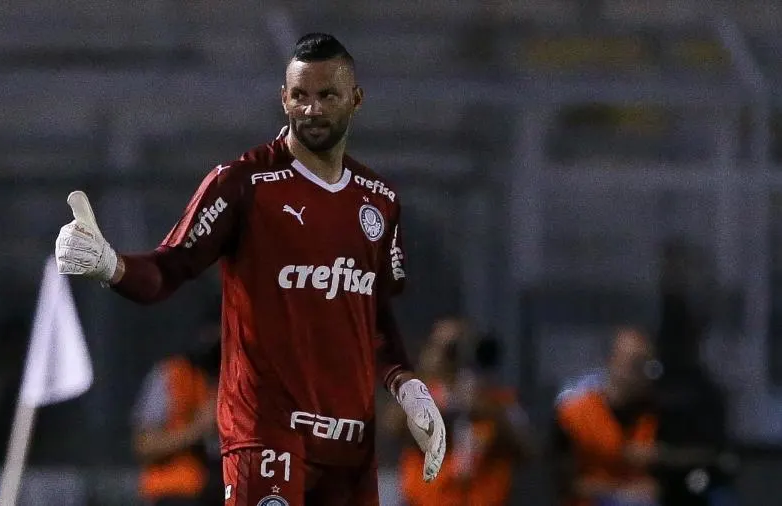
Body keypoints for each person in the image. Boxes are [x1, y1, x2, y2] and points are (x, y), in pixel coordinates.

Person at [54, 33, 446, 506]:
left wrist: (407, 385)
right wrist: (111, 265)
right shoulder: (242, 184)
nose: (312, 109)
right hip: (267, 435)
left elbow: (373, 315)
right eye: (300, 96)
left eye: (327, 95)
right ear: (284, 98)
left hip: (349, 443)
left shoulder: (378, 200)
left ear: (356, 100)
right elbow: (169, 268)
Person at [384, 318, 534, 506]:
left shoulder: (496, 399)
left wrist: (487, 410)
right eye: (450, 349)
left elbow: (526, 449)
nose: (457, 357)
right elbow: (392, 427)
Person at [552, 327, 662, 506]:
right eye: (634, 363)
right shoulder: (573, 413)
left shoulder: (654, 414)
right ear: (612, 361)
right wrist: (618, 492)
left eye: (647, 365)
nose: (641, 373)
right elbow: (561, 481)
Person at [132, 320, 224, 506]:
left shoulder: (249, 376)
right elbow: (143, 446)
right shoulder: (174, 374)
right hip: (178, 493)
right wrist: (197, 428)